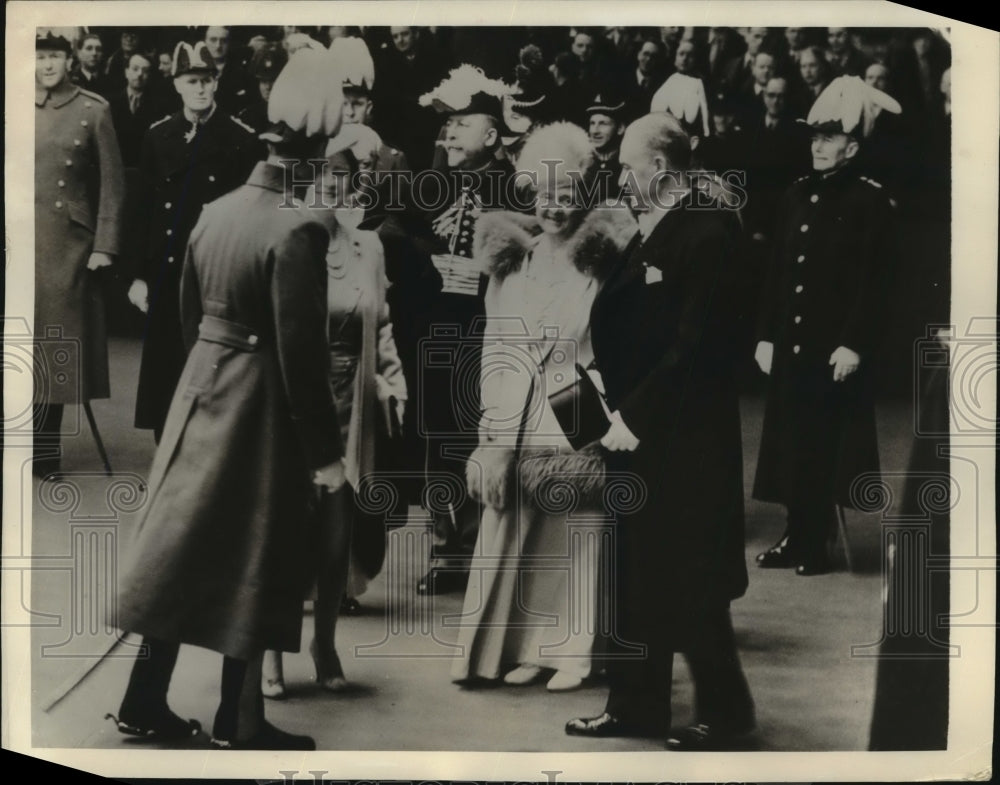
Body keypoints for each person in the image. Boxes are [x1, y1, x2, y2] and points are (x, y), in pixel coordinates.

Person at [108, 45, 349, 751]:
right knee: (257, 553)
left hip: (200, 393)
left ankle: (143, 699)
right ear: (313, 147)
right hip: (259, 409)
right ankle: (238, 719)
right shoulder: (298, 228)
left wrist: (205, 380)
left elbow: (188, 318)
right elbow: (302, 360)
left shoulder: (215, 211)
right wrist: (327, 457)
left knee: (179, 549)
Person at [566, 112, 754, 751]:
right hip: (638, 431)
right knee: (636, 571)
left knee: (692, 576)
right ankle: (635, 704)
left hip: (684, 437)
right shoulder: (655, 228)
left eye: (627, 163)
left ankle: (727, 714)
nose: (619, 174)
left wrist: (635, 418)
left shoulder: (710, 231)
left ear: (662, 169)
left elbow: (696, 347)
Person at [451, 122, 636, 692]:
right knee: (520, 528)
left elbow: (617, 343)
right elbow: (495, 344)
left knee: (580, 529)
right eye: (545, 196)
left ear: (582, 194)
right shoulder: (514, 262)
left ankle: (575, 654)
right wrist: (492, 427)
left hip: (579, 400)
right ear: (530, 192)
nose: (555, 208)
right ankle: (526, 647)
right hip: (519, 404)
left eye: (567, 196)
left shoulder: (603, 262)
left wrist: (601, 404)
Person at [261, 125, 407, 698]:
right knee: (283, 529)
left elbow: (384, 323)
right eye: (322, 177)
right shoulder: (289, 238)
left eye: (342, 178)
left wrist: (393, 382)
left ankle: (324, 644)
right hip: (298, 401)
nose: (333, 188)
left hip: (352, 402)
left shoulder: (369, 246)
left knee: (333, 536)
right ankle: (270, 654)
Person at [752, 76, 901, 576]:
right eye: (814, 136)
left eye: (829, 137)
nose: (817, 146)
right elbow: (777, 272)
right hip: (793, 343)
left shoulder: (869, 203)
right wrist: (767, 333)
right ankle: (796, 535)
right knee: (793, 442)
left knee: (821, 444)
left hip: (831, 348)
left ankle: (814, 543)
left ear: (852, 146)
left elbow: (874, 283)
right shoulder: (795, 196)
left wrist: (854, 343)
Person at [413, 65, 517, 597]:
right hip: (437, 331)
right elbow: (395, 234)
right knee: (439, 440)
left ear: (493, 135)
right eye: (447, 123)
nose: (450, 132)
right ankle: (446, 548)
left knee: (486, 435)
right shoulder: (432, 185)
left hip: (491, 335)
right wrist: (426, 264)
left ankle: (485, 549)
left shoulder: (517, 190)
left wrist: (486, 274)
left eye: (463, 122)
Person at [127, 42, 261, 443]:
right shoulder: (158, 136)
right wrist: (136, 276)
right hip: (167, 271)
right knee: (166, 368)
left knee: (214, 367)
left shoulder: (239, 139)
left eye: (207, 80)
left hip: (216, 272)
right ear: (177, 85)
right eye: (192, 81)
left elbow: (248, 214)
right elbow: (142, 212)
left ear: (216, 83)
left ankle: (208, 454)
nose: (201, 89)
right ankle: (165, 451)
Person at [33, 28, 125, 479]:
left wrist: (105, 245)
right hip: (19, 238)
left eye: (54, 56)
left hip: (67, 244)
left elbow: (113, 183)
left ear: (69, 60)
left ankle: (43, 450)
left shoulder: (94, 109)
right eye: (39, 57)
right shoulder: (15, 103)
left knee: (53, 345)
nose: (46, 65)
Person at [108, 51, 164, 168]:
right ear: (126, 72)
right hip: (117, 166)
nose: (139, 74)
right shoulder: (110, 103)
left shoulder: (158, 105)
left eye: (145, 71)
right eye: (135, 69)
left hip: (145, 168)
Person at [584, 91, 628, 202]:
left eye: (603, 124)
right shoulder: (581, 166)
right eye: (592, 123)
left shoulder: (626, 166)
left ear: (620, 128)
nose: (594, 131)